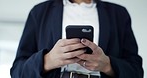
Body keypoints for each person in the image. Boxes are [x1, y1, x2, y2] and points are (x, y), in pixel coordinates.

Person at [10, 0, 144, 78]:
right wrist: (47, 61)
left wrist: (108, 65)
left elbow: (137, 71)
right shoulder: (39, 12)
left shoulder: (119, 14)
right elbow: (17, 72)